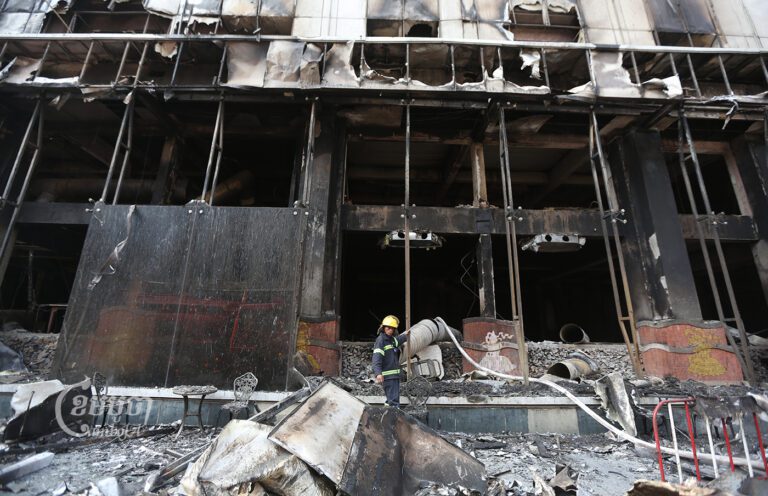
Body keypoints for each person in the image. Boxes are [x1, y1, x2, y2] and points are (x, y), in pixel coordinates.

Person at [372, 315, 409, 408]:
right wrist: (378, 373)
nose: (390, 330)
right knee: (394, 402)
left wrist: (405, 336)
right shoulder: (381, 341)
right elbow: (376, 358)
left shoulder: (391, 340)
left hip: (394, 376)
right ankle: (393, 421)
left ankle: (386, 418)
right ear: (383, 328)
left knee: (390, 400)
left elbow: (397, 341)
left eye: (392, 329)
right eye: (388, 328)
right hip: (388, 377)